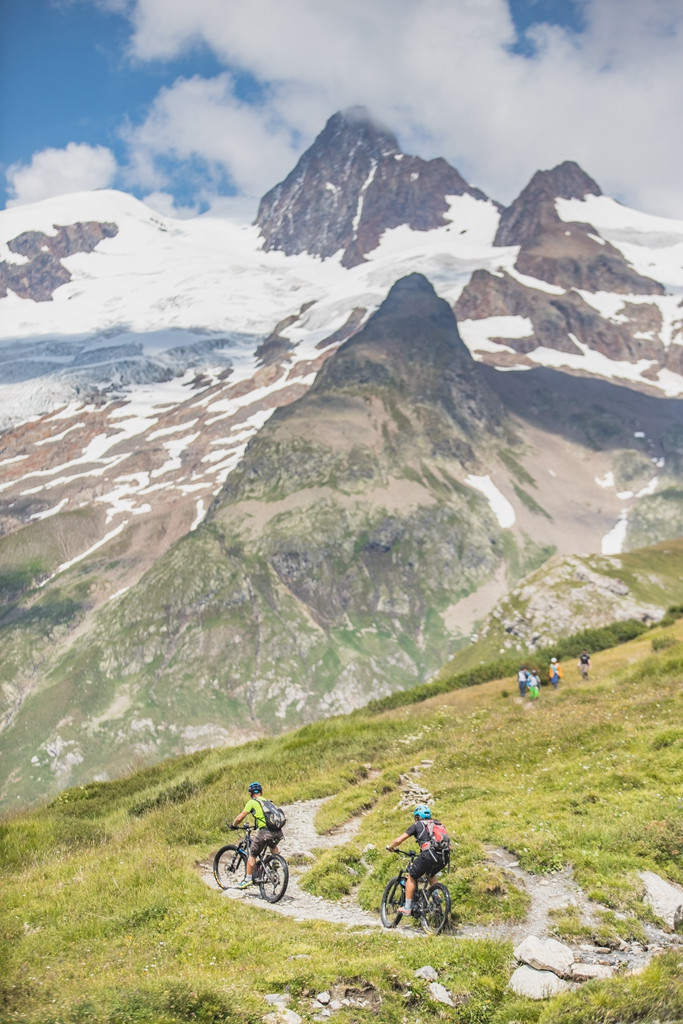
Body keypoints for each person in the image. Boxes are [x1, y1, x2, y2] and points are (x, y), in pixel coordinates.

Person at [385, 804, 449, 917]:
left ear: (417, 817)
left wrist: (390, 847)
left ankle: (407, 908)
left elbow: (399, 840)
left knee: (412, 876)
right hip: (444, 856)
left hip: (428, 854)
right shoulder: (437, 823)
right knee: (431, 874)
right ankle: (436, 896)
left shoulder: (417, 825)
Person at [231, 781, 284, 889]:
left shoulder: (252, 802)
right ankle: (276, 860)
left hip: (264, 832)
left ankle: (247, 880)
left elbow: (241, 817)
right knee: (272, 845)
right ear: (261, 792)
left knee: (253, 854)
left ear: (251, 793)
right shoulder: (268, 802)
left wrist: (234, 825)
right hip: (278, 832)